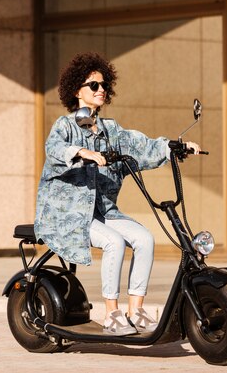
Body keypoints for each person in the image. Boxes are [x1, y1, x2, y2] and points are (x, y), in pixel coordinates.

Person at [34, 52, 201, 336]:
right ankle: (111, 314)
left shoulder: (111, 130)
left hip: (103, 213)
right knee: (114, 242)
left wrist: (174, 147)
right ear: (77, 91)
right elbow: (54, 150)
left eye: (103, 85)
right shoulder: (66, 126)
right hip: (70, 215)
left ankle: (135, 310)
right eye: (93, 85)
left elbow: (141, 146)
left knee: (145, 238)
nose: (101, 90)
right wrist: (82, 152)